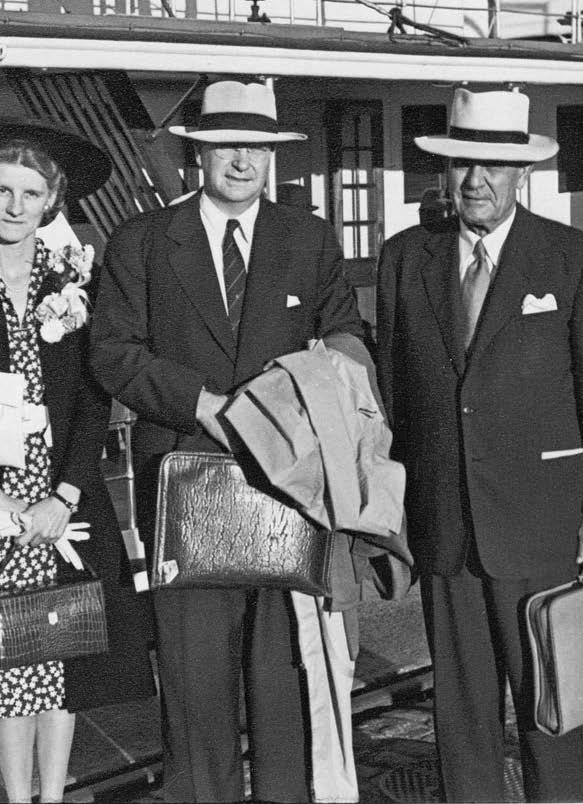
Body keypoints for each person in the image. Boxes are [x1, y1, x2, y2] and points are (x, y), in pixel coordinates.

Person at [89, 79, 368, 803]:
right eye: (224, 146)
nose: (240, 160)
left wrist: (311, 384)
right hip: (187, 480)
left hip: (288, 482)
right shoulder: (142, 242)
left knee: (283, 676)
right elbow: (112, 352)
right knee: (192, 677)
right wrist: (202, 404)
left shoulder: (306, 238)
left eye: (255, 146)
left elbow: (347, 333)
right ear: (197, 153)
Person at [376, 87, 583, 802]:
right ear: (444, 170)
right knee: (459, 715)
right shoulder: (405, 259)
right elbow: (396, 391)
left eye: (491, 166)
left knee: (549, 704)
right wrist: (395, 506)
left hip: (541, 518)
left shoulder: (572, 258)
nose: (475, 181)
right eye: (461, 164)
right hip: (445, 521)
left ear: (522, 174)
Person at [0, 119, 153, 804]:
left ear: (52, 201)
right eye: (3, 190)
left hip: (58, 504)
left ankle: (57, 795)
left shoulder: (76, 285)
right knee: (12, 666)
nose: (16, 205)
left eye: (31, 192)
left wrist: (63, 494)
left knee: (63, 652)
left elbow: (93, 403)